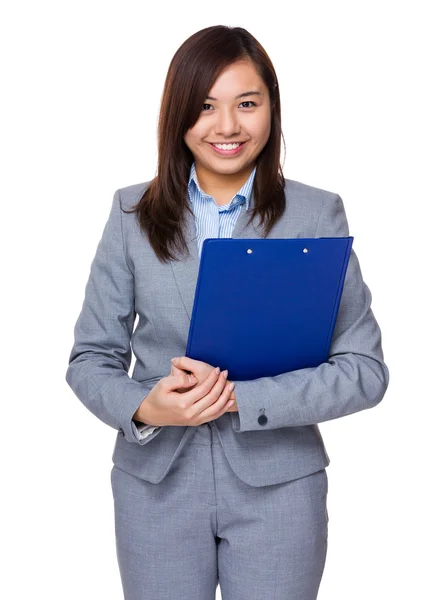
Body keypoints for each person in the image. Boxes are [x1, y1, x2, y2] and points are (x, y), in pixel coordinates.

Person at [65, 24, 389, 600]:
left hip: (280, 486)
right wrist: (146, 407)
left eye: (247, 103)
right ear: (178, 114)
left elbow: (364, 371)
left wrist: (245, 398)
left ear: (272, 107)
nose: (228, 126)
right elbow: (90, 359)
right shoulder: (130, 214)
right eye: (206, 106)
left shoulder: (316, 214)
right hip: (156, 486)